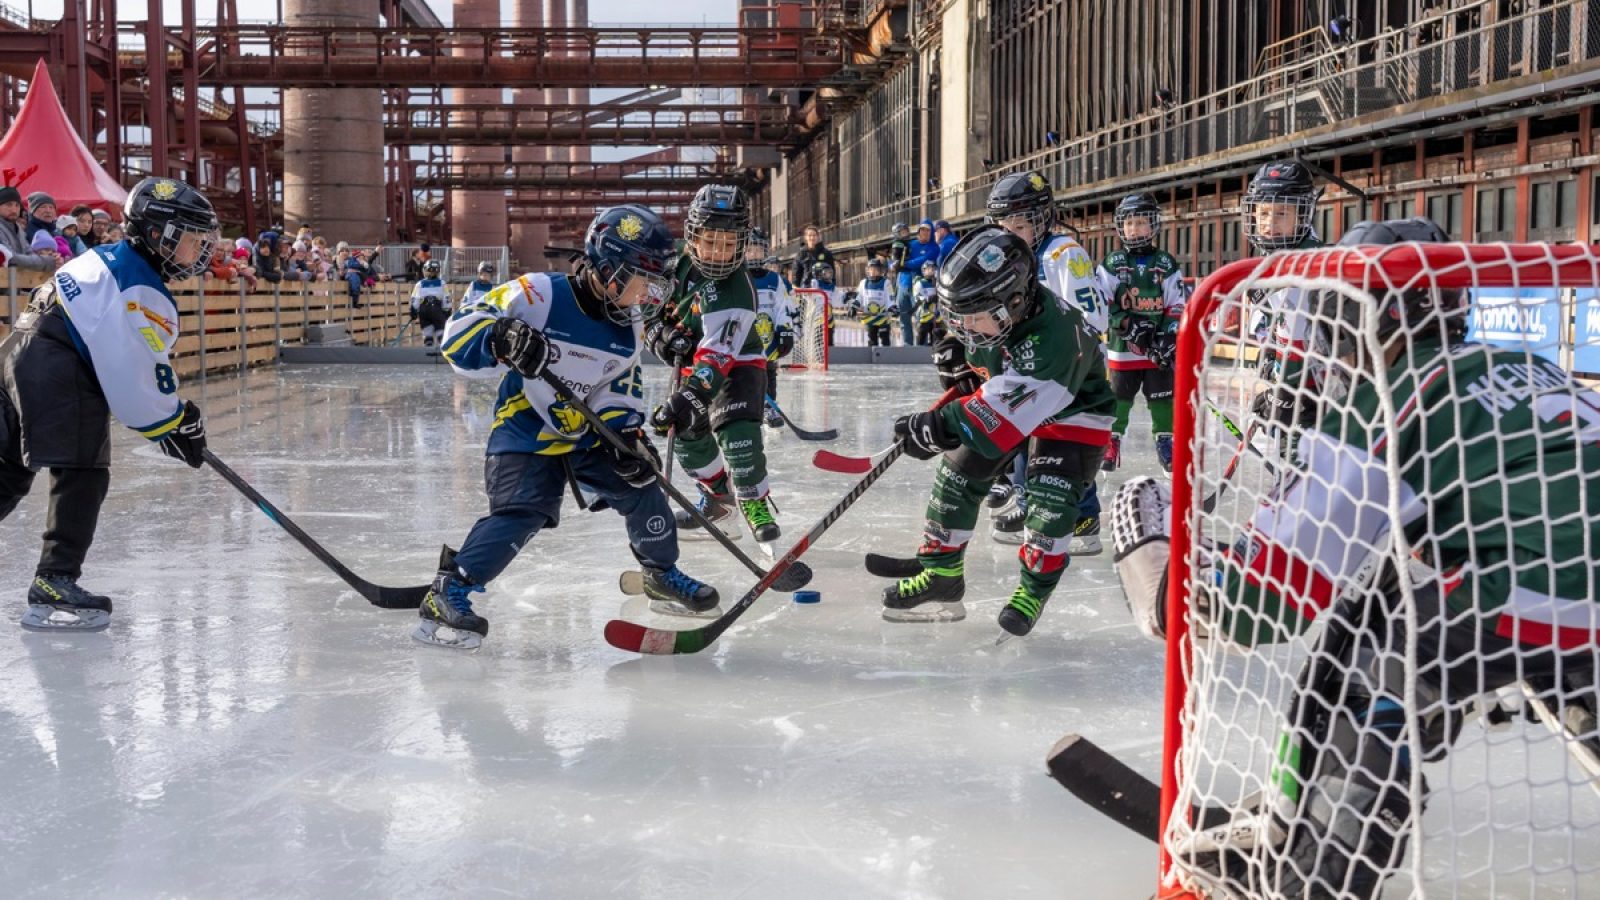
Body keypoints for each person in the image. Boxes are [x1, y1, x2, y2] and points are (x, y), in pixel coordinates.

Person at [1109, 217, 1600, 899]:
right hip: (1567, 572)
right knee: (1385, 607)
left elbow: (1262, 606)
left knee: (1375, 666)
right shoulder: (1524, 363)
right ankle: (1293, 812)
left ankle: (1319, 878)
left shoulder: (1389, 401)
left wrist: (1154, 566)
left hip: (1544, 591)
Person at [426, 205, 717, 648]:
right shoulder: (538, 293)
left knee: (642, 486)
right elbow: (459, 334)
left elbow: (617, 389)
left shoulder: (629, 326)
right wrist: (499, 337)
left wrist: (628, 437)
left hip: (587, 433)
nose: (645, 294)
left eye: (654, 284)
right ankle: (451, 588)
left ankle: (659, 573)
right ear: (605, 267)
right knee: (524, 511)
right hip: (525, 428)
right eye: (639, 279)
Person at [875, 226, 1115, 636]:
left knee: (1048, 504)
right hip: (1017, 402)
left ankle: (1033, 589)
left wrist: (937, 425)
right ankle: (943, 576)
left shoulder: (1054, 338)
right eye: (956, 316)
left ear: (1015, 301)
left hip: (1074, 416)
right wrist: (963, 359)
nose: (963, 326)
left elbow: (997, 418)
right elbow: (992, 370)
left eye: (971, 317)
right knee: (956, 477)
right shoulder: (998, 313)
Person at [0, 177, 216, 631]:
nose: (198, 251)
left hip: (19, 351)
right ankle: (56, 578)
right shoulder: (141, 285)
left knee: (9, 470)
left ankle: (55, 577)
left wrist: (168, 419)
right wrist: (173, 421)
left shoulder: (110, 258)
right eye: (192, 240)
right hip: (57, 365)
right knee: (84, 469)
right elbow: (133, 371)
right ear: (160, 235)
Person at [986, 170, 1114, 555]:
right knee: (1027, 439)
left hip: (1069, 367)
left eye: (1020, 223)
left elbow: (1091, 317)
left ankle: (1083, 518)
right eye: (1003, 223)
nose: (1010, 230)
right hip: (1034, 367)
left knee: (1064, 444)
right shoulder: (1012, 256)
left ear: (1041, 218)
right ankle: (1030, 505)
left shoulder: (1062, 253)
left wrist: (1056, 356)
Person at [646, 184, 782, 544]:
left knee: (737, 430)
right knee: (688, 435)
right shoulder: (671, 262)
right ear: (693, 236)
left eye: (730, 242)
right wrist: (656, 332)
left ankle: (754, 501)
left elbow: (716, 358)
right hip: (693, 359)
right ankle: (719, 499)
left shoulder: (737, 290)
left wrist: (692, 393)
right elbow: (645, 306)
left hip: (739, 360)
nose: (719, 252)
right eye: (711, 240)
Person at [1101, 193, 1188, 473]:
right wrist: (1125, 324)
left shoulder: (1165, 262)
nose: (1135, 229)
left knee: (1162, 395)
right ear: (1120, 227)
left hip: (1157, 349)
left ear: (1153, 226)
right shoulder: (1113, 263)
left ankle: (1165, 440)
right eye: (1129, 223)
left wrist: (1167, 335)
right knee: (1119, 396)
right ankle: (1111, 440)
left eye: (1141, 223)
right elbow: (1102, 302)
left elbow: (1177, 303)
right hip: (1123, 348)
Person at [744, 229, 794, 429]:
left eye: (757, 251)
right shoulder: (740, 278)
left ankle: (769, 407)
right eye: (749, 251)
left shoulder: (775, 279)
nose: (753, 255)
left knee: (769, 374)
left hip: (768, 338)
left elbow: (783, 307)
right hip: (746, 339)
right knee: (746, 375)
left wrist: (785, 331)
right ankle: (747, 408)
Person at [0, 186, 49, 270]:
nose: (14, 210)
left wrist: (49, 258)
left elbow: (28, 251)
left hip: (19, 280)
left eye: (17, 205)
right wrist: (45, 262)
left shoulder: (19, 229)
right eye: (9, 205)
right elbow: (10, 258)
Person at [408, 259, 452, 346]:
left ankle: (428, 343)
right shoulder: (441, 283)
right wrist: (447, 310)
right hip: (437, 308)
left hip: (424, 308)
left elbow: (415, 299)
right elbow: (446, 298)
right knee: (440, 330)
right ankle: (441, 345)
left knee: (427, 330)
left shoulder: (420, 284)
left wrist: (413, 310)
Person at [857, 258, 894, 347]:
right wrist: (854, 306)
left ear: (880, 270)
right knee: (872, 339)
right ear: (868, 270)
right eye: (871, 269)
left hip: (883, 317)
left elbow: (890, 297)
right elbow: (859, 297)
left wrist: (893, 307)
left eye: (876, 269)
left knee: (885, 339)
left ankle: (886, 358)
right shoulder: (863, 282)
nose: (873, 271)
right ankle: (873, 359)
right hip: (869, 317)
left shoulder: (886, 282)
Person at [789, 224, 834, 290]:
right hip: (805, 289)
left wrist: (832, 287)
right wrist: (796, 288)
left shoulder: (826, 253)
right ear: (806, 237)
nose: (812, 238)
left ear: (818, 237)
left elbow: (832, 273)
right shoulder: (801, 254)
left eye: (814, 235)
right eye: (809, 235)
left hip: (822, 289)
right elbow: (796, 274)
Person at [911, 259, 941, 345]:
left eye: (933, 268)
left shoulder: (937, 283)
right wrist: (928, 298)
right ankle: (919, 351)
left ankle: (934, 350)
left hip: (936, 314)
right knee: (922, 333)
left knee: (935, 335)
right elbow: (916, 297)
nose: (931, 271)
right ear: (924, 271)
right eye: (928, 269)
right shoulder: (920, 283)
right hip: (924, 314)